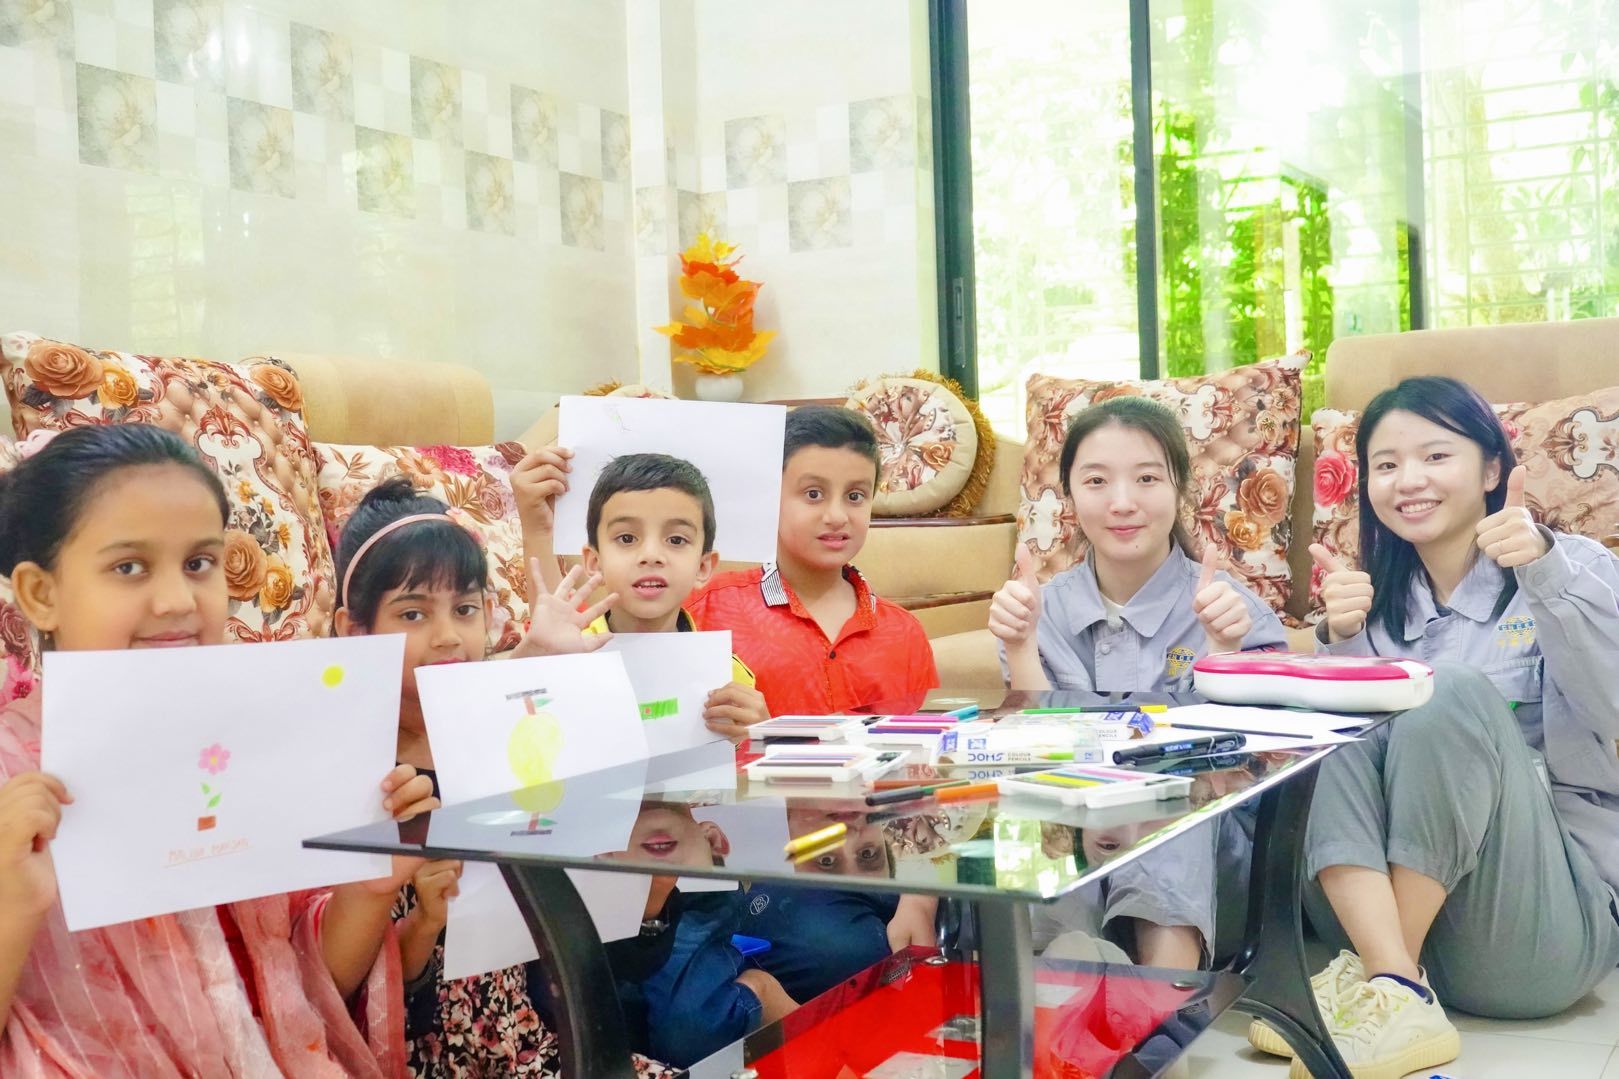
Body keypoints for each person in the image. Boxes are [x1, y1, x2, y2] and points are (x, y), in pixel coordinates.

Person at [0, 424, 437, 1077]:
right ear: (41, 593)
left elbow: (309, 992)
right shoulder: (11, 777)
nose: (178, 600)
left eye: (199, 563)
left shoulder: (252, 741)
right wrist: (12, 903)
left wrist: (368, 887)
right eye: (129, 567)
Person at [1250, 376, 1619, 1079]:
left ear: (1491, 470)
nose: (1409, 480)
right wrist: (1340, 648)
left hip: (1529, 934)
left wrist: (1545, 572)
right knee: (1340, 706)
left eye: (1435, 456)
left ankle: (1387, 985)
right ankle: (1393, 982)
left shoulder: (1570, 569)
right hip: (1379, 933)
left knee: (1441, 690)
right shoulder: (1372, 610)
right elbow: (1338, 780)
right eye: (1386, 465)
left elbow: (1613, 710)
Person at [989, 396, 1288, 970]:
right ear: (1070, 496)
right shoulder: (1038, 610)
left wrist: (1224, 655)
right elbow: (1034, 751)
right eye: (1096, 481)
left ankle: (1164, 993)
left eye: (1147, 478)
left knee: (1170, 788)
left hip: (1208, 873)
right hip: (1081, 853)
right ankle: (1063, 971)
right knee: (1036, 795)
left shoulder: (1232, 610)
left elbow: (1256, 773)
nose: (1122, 502)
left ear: (1180, 490)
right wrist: (1021, 647)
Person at [332, 476, 615, 1077]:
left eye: (464, 610)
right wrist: (422, 922)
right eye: (413, 613)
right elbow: (337, 987)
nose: (447, 637)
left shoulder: (505, 724)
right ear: (354, 631)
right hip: (416, 1051)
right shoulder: (350, 771)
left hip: (536, 1035)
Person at [683, 406, 939, 717]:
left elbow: (909, 742)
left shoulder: (903, 633)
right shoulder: (703, 611)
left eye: (855, 496)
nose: (837, 516)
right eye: (814, 494)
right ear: (770, 497)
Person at [519, 450, 770, 740]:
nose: (651, 555)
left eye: (676, 540)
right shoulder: (565, 652)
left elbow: (737, 759)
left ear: (703, 567)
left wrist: (760, 736)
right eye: (627, 538)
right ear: (594, 562)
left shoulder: (726, 675)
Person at [602, 800, 796, 1067]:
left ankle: (753, 994)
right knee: (620, 1024)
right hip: (601, 884)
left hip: (690, 892)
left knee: (691, 1034)